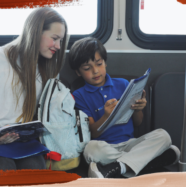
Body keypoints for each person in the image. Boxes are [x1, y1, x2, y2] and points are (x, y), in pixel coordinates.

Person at [0, 7, 68, 171]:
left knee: (34, 171)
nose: (59, 46)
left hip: (23, 139)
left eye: (61, 40)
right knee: (3, 169)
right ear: (36, 32)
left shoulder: (49, 69)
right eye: (55, 38)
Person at [69, 37, 180, 178]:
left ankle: (117, 167)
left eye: (99, 63)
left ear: (105, 62)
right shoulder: (79, 95)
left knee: (163, 136)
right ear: (78, 72)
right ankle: (139, 161)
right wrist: (106, 116)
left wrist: (138, 108)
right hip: (105, 147)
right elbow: (93, 133)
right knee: (90, 149)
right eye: (87, 68)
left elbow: (138, 122)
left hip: (130, 144)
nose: (95, 71)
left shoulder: (122, 84)